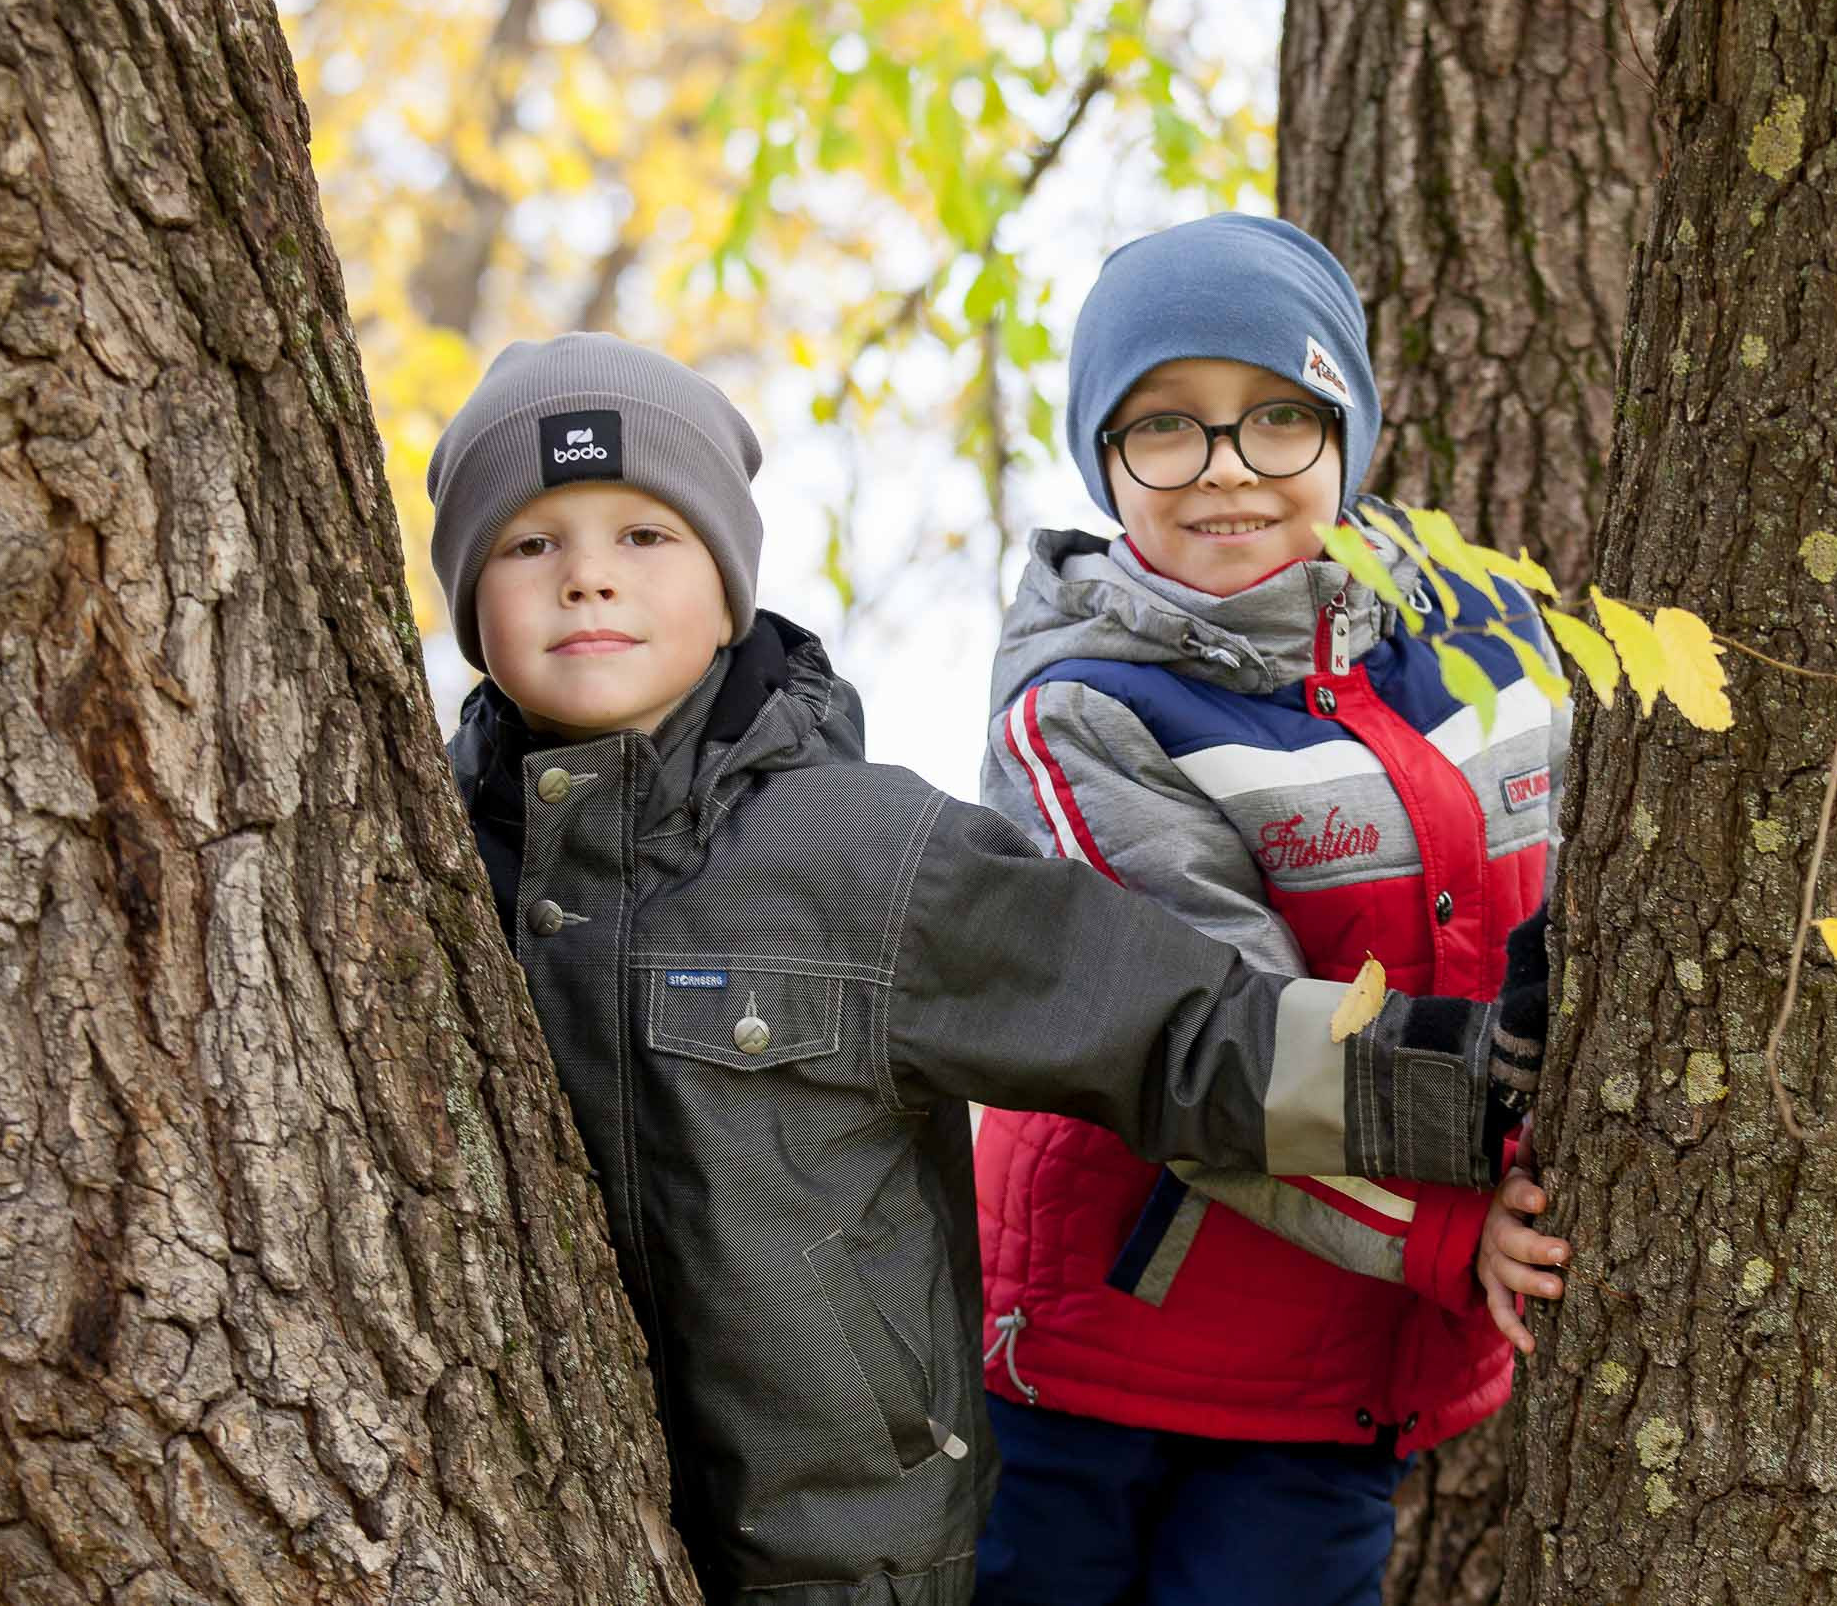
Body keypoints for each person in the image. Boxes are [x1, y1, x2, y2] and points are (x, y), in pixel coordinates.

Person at [425, 333, 1537, 1606]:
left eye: (644, 534)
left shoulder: (870, 855)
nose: (586, 578)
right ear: (468, 602)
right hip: (521, 1520)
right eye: (530, 543)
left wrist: (1473, 1078)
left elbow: (1170, 1026)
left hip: (846, 1555)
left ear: (730, 590)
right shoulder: (419, 867)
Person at [971, 214, 1570, 1606]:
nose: (1226, 465)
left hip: (1346, 1369)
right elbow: (1207, 1048)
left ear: (1347, 433)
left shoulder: (1497, 639)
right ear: (1106, 459)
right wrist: (1448, 1233)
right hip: (1096, 1359)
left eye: (1277, 415)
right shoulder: (1087, 711)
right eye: (1165, 425)